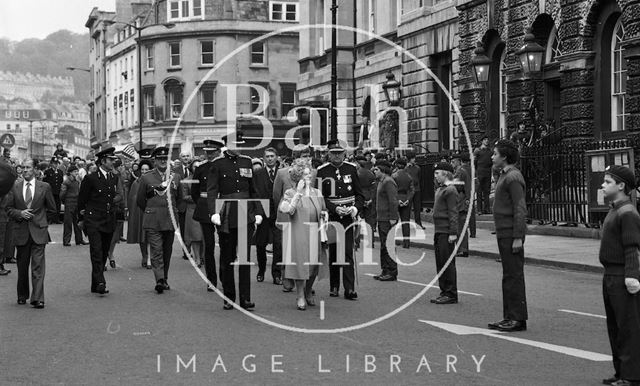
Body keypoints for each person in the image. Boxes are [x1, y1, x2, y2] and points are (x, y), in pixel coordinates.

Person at [207, 131, 264, 310]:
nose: (239, 147)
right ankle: (229, 296)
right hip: (227, 213)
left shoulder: (247, 161)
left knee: (245, 257)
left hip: (245, 212)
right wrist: (213, 212)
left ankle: (245, 298)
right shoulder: (217, 164)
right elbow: (212, 190)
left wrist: (258, 211)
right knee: (227, 256)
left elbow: (253, 190)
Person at [598, 165, 640, 386]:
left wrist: (632, 276)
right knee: (615, 326)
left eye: (607, 182)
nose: (603, 185)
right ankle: (621, 371)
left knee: (627, 327)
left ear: (621, 185)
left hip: (622, 275)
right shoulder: (615, 208)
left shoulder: (627, 212)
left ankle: (632, 375)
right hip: (610, 275)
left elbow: (632, 247)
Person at [487, 139, 528, 332]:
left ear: (504, 156)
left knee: (514, 276)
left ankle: (517, 318)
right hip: (504, 231)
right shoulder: (504, 175)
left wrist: (518, 236)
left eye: (495, 153)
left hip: (511, 232)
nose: (492, 156)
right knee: (508, 275)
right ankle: (509, 316)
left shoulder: (513, 177)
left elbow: (520, 207)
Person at [316, 139, 365, 300]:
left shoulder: (351, 169)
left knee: (348, 252)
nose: (337, 156)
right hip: (332, 216)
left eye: (340, 153)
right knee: (335, 252)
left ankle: (349, 288)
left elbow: (360, 194)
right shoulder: (322, 171)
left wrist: (355, 208)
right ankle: (334, 285)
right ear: (329, 154)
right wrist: (334, 208)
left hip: (349, 216)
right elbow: (321, 196)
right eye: (334, 153)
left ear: (344, 153)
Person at [4, 159, 56, 308]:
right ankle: (22, 295)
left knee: (38, 267)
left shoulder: (44, 187)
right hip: (21, 231)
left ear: (35, 170)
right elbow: (8, 209)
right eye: (23, 168)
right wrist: (20, 213)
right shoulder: (15, 187)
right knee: (22, 266)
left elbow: (52, 209)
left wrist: (43, 223)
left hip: (39, 231)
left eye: (28, 167)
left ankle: (38, 298)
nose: (24, 170)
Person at [278, 159, 328, 310]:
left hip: (315, 232)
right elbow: (287, 210)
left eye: (309, 174)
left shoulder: (317, 192)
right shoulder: (290, 192)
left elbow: (323, 209)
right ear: (297, 177)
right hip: (299, 233)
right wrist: (298, 193)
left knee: (314, 265)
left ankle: (308, 291)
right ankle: (300, 295)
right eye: (304, 175)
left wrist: (324, 216)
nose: (308, 177)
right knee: (301, 265)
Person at [272, 144, 315, 292]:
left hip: (305, 215)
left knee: (304, 249)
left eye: (308, 155)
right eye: (304, 156)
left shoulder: (313, 173)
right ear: (296, 157)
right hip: (286, 215)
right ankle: (286, 276)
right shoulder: (282, 173)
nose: (307, 158)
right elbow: (276, 195)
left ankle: (305, 281)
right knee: (287, 248)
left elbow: (315, 194)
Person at [77, 147, 120, 295]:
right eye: (110, 160)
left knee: (103, 253)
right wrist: (81, 219)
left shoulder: (114, 177)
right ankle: (101, 281)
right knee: (96, 251)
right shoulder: (91, 178)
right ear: (103, 161)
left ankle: (95, 284)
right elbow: (81, 200)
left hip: (108, 219)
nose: (113, 162)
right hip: (93, 219)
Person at [137, 147, 179, 294]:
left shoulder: (175, 177)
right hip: (153, 220)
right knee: (156, 250)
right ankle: (159, 279)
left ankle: (164, 277)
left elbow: (178, 198)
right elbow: (140, 200)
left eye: (165, 159)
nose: (163, 161)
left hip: (169, 219)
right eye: (160, 159)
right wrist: (151, 210)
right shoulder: (146, 177)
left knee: (167, 251)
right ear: (154, 161)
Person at [191, 139, 224, 292]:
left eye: (212, 152)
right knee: (209, 246)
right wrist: (204, 205)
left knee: (225, 245)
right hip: (206, 208)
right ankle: (211, 280)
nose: (209, 155)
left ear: (219, 151)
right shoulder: (201, 169)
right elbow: (194, 192)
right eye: (207, 152)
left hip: (223, 208)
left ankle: (225, 278)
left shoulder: (225, 166)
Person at [431, 162, 459, 305]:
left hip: (446, 231)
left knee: (447, 263)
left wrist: (453, 232)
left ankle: (451, 292)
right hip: (439, 230)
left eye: (438, 173)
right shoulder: (440, 189)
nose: (435, 176)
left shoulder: (450, 190)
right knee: (441, 262)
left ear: (446, 174)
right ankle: (444, 291)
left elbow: (453, 212)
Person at [253, 147, 282, 284]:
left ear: (276, 157)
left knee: (278, 244)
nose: (270, 158)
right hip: (262, 212)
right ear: (263, 158)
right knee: (260, 244)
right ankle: (261, 270)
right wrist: (257, 212)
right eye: (267, 156)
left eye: (272, 156)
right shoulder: (258, 174)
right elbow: (255, 194)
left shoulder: (282, 173)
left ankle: (276, 274)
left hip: (278, 212)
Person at [372, 160, 398, 281]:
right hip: (381, 218)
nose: (374, 171)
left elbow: (393, 201)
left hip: (388, 219)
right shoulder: (381, 182)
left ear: (382, 170)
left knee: (389, 246)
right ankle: (385, 270)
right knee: (383, 246)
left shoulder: (388, 182)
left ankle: (392, 271)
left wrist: (393, 217)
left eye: (376, 169)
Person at [128, 158, 153, 269]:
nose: (143, 172)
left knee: (150, 236)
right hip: (139, 211)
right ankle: (144, 256)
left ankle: (149, 257)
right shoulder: (136, 182)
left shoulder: (154, 181)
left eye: (146, 170)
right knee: (141, 236)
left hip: (151, 212)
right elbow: (131, 197)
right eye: (142, 169)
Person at [181, 160, 204, 268]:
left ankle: (203, 256)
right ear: (191, 168)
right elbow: (184, 197)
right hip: (192, 209)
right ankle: (197, 258)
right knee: (195, 236)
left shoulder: (206, 179)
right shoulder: (186, 181)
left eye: (199, 166)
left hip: (205, 209)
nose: (197, 168)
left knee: (204, 235)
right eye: (195, 166)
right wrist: (197, 197)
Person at [105, 158, 126, 270]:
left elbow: (122, 193)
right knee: (106, 234)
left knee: (115, 235)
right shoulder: (105, 176)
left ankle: (111, 253)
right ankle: (106, 256)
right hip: (105, 209)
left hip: (117, 207)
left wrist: (124, 206)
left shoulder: (120, 177)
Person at [451, 153, 472, 256]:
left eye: (453, 161)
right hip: (462, 201)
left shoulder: (460, 172)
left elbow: (457, 186)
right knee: (461, 227)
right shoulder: (461, 171)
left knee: (460, 227)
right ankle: (463, 249)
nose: (452, 164)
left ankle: (462, 249)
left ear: (459, 161)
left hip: (461, 202)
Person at [60, 166, 86, 246]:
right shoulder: (66, 182)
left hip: (76, 203)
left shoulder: (76, 181)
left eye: (77, 171)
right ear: (70, 172)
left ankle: (79, 240)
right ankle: (66, 240)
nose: (76, 173)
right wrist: (65, 201)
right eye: (75, 171)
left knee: (77, 222)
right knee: (68, 222)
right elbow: (62, 194)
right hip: (69, 203)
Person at [392, 157, 414, 249]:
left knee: (394, 221)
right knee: (406, 222)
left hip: (397, 198)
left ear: (397, 165)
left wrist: (397, 200)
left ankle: (392, 241)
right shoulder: (409, 176)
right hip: (406, 198)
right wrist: (408, 199)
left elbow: (392, 190)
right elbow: (412, 190)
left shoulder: (394, 176)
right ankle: (406, 243)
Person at [173, 152, 192, 260]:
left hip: (194, 205)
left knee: (194, 230)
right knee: (184, 230)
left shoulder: (195, 168)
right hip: (181, 206)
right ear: (180, 158)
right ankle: (186, 251)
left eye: (187, 156)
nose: (186, 158)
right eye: (183, 156)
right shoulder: (175, 171)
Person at [355, 155, 377, 238]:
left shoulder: (356, 174)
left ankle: (356, 241)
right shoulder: (371, 174)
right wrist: (371, 199)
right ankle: (371, 241)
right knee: (369, 221)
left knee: (357, 220)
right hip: (368, 197)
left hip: (359, 198)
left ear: (359, 164)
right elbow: (374, 188)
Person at [474, 136, 493, 214]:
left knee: (487, 191)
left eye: (487, 139)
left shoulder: (490, 151)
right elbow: (474, 162)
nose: (486, 141)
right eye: (485, 140)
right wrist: (476, 172)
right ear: (482, 141)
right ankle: (479, 209)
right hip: (480, 171)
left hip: (487, 172)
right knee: (479, 191)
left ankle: (487, 209)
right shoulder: (477, 150)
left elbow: (491, 162)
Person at [405, 153, 424, 229]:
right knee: (408, 207)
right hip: (409, 190)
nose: (414, 160)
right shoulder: (405, 168)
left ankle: (418, 223)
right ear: (409, 159)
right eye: (413, 158)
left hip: (417, 189)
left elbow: (419, 177)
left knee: (417, 207)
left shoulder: (417, 168)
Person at [43, 158, 64, 224]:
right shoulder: (48, 171)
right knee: (50, 205)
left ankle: (56, 219)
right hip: (50, 191)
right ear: (51, 164)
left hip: (57, 191)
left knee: (58, 205)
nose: (56, 165)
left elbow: (61, 181)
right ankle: (50, 219)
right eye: (54, 163)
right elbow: (45, 181)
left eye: (57, 163)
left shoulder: (60, 171)